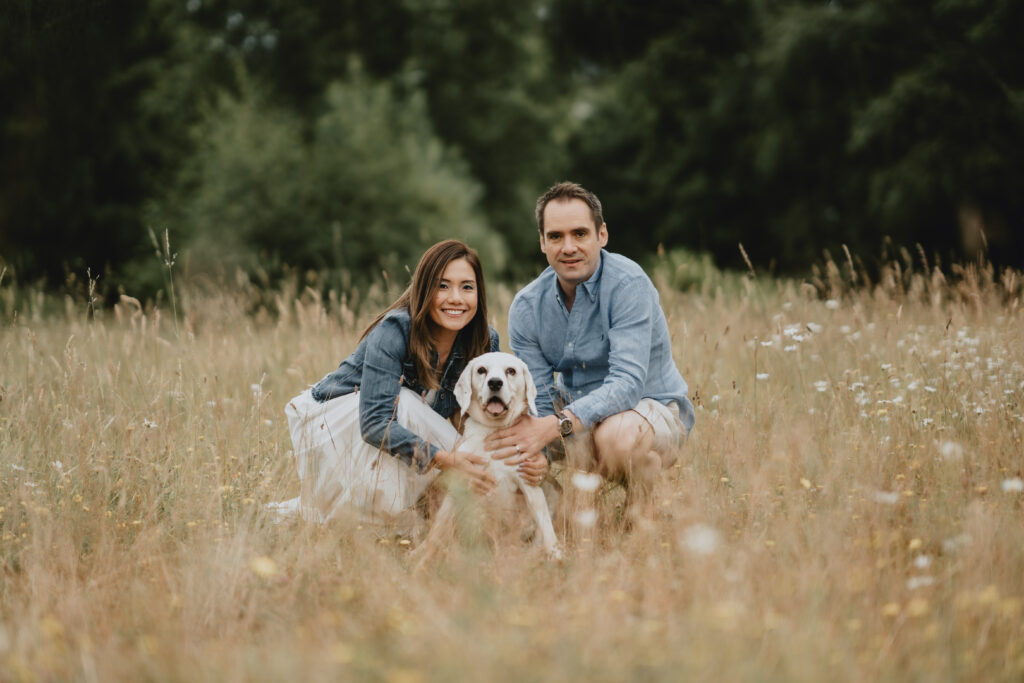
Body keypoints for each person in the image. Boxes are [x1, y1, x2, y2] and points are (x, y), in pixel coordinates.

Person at [274, 240, 539, 524]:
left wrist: (520, 456)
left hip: (402, 422)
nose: (456, 298)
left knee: (471, 457)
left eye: (467, 287)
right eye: (442, 286)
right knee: (408, 406)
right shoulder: (395, 329)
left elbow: (470, 414)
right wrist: (448, 460)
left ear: (479, 293)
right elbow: (376, 423)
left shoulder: (485, 340)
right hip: (334, 418)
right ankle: (368, 522)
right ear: (425, 290)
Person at [487, 182, 696, 510]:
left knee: (616, 437)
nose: (568, 246)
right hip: (574, 410)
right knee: (504, 435)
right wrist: (536, 453)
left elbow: (627, 386)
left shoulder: (629, 285)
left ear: (602, 235)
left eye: (580, 234)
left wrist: (556, 426)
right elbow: (537, 398)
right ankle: (557, 509)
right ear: (542, 242)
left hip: (648, 409)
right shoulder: (527, 306)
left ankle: (646, 509)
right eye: (556, 236)